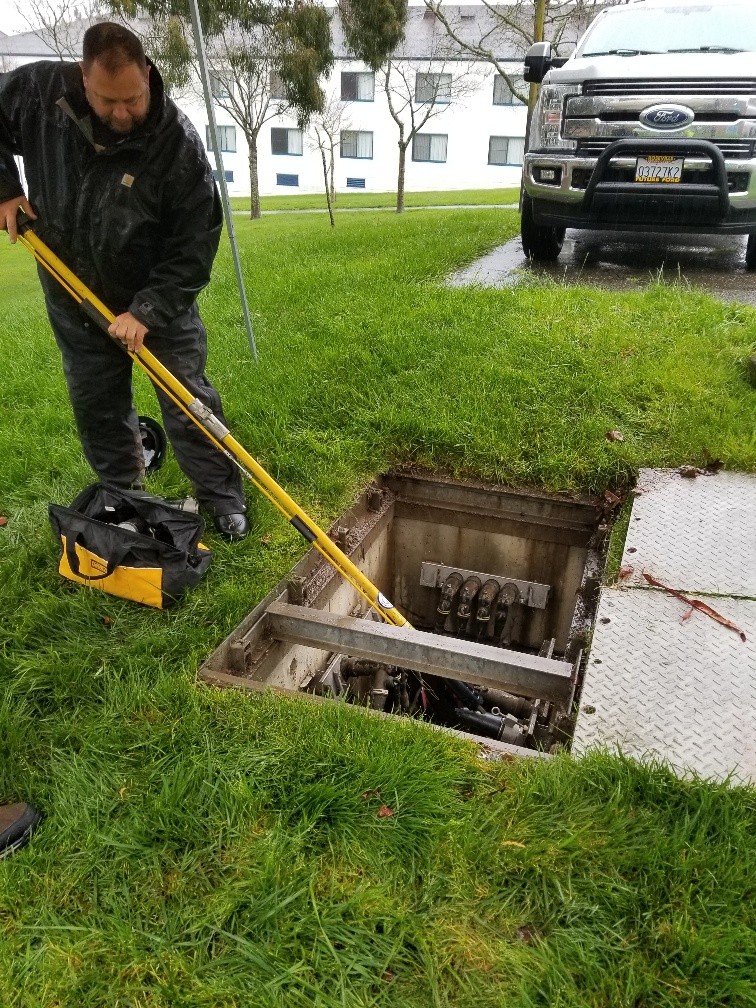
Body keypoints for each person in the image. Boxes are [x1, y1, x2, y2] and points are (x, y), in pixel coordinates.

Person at [0, 22, 248, 541]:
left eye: (132, 99)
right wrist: (5, 187)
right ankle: (126, 496)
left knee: (186, 397)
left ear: (148, 76)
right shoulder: (40, 94)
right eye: (106, 100)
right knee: (97, 400)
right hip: (72, 287)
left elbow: (195, 244)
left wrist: (147, 311)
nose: (120, 113)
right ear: (82, 77)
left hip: (156, 296)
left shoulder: (176, 145)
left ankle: (223, 499)